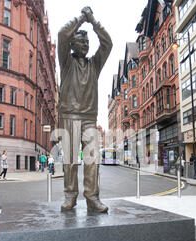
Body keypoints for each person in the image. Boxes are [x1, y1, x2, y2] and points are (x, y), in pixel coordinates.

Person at [58, 6, 112, 213]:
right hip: (70, 116)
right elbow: (62, 33)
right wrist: (81, 18)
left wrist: (94, 21)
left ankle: (92, 198)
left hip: (89, 118)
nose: (86, 44)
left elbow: (108, 43)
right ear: (72, 44)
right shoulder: (66, 62)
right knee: (70, 161)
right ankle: (70, 196)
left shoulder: (94, 64)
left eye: (88, 42)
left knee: (92, 159)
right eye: (82, 41)